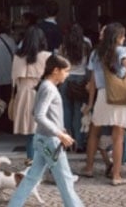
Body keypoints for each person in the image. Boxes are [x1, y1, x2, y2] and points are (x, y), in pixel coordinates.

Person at [7, 54, 85, 207]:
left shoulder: (45, 86)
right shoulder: (49, 88)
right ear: (56, 70)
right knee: (65, 181)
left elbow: (37, 113)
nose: (67, 75)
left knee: (31, 178)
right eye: (66, 71)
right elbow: (39, 115)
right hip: (50, 142)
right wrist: (59, 133)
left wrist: (59, 130)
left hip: (43, 139)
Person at [80, 22, 126, 185]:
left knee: (94, 132)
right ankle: (116, 175)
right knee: (118, 136)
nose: (125, 38)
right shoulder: (121, 50)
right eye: (123, 35)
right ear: (117, 37)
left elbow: (92, 81)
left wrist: (90, 103)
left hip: (101, 96)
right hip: (118, 96)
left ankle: (89, 167)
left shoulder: (95, 53)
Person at [11, 25, 50, 161]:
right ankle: (48, 166)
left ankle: (30, 165)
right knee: (47, 133)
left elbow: (14, 79)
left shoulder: (17, 57)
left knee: (30, 134)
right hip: (42, 93)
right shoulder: (47, 56)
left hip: (23, 94)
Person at [59, 23, 89, 152]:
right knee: (78, 113)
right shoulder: (86, 44)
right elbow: (88, 65)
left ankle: (67, 142)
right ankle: (80, 144)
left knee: (66, 111)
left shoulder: (64, 46)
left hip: (66, 78)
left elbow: (59, 63)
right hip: (81, 80)